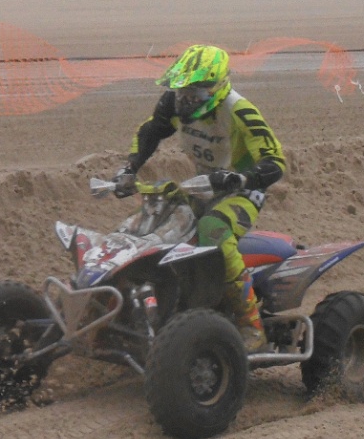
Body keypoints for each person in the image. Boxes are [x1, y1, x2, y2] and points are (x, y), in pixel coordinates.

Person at [112, 44, 286, 352]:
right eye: (182, 92)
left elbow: (275, 161)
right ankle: (136, 306)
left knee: (213, 229)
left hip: (243, 191)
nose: (186, 101)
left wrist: (240, 178)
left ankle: (252, 328)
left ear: (217, 89)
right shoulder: (173, 102)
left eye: (195, 94)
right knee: (155, 216)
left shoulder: (240, 111)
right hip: (202, 184)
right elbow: (151, 131)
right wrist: (128, 169)